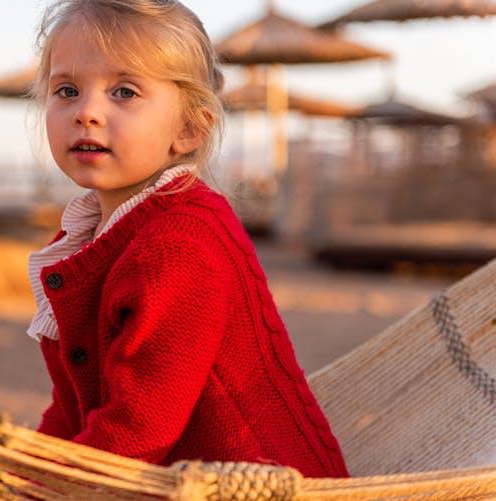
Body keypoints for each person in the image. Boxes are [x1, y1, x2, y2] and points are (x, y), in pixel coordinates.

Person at [26, 0, 349, 478]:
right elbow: (73, 409)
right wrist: (10, 473)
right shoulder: (89, 238)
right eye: (67, 90)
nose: (87, 112)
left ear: (189, 129)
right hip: (166, 480)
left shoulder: (181, 243)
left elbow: (139, 428)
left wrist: (37, 489)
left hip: (258, 485)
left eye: (124, 92)